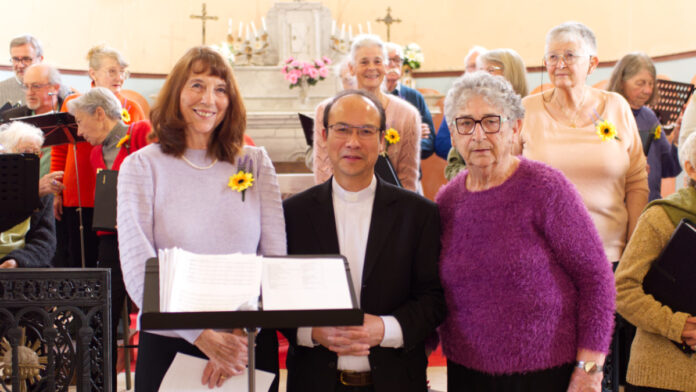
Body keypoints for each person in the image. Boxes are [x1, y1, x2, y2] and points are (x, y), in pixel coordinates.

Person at [117, 46, 286, 391]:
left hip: (247, 342)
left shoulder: (254, 162)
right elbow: (138, 272)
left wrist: (238, 338)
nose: (209, 98)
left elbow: (274, 261)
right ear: (176, 92)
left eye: (220, 89)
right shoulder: (142, 166)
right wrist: (203, 337)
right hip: (171, 341)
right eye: (197, 85)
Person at [436, 72, 615, 391]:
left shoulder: (547, 189)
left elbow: (596, 279)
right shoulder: (447, 201)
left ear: (515, 127)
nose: (478, 135)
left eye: (491, 122)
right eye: (465, 123)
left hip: (546, 374)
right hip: (466, 373)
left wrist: (589, 370)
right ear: (452, 133)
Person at [283, 89, 445, 392]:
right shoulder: (294, 213)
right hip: (314, 382)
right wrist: (312, 332)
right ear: (324, 135)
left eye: (366, 131)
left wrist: (384, 329)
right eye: (342, 129)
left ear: (383, 140)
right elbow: (279, 294)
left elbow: (434, 299)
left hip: (396, 382)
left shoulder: (419, 214)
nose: (353, 142)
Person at [521, 22, 649, 390]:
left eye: (570, 55)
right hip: (543, 260)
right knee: (546, 362)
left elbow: (637, 179)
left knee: (597, 372)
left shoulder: (616, 107)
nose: (559, 63)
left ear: (592, 63)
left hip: (609, 257)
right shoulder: (528, 112)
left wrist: (632, 247)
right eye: (552, 56)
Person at [66, 87, 150, 392]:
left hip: (145, 236)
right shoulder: (95, 153)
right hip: (111, 238)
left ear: (99, 113)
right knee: (102, 311)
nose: (79, 130)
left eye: (79, 121)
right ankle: (102, 385)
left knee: (150, 303)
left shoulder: (140, 132)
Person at [614, 132, 696, 391]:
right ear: (690, 168)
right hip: (661, 376)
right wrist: (677, 325)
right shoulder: (661, 217)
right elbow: (622, 291)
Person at [52, 44, 144, 269]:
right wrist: (57, 189)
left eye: (123, 71)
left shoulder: (131, 106)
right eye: (112, 71)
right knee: (79, 260)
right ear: (93, 73)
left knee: (112, 261)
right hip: (79, 193)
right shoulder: (74, 102)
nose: (119, 77)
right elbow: (60, 148)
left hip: (114, 198)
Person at [313, 34, 421, 192]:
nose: (372, 67)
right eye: (364, 62)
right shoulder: (326, 110)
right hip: (339, 204)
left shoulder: (407, 114)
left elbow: (408, 178)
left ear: (385, 66)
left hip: (391, 207)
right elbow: (323, 171)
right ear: (351, 68)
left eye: (377, 61)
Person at [444, 48, 529, 180]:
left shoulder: (534, 114)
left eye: (489, 70)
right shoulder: (471, 111)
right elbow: (453, 167)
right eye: (480, 70)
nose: (482, 76)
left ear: (511, 73)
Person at [607, 52, 681, 201]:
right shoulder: (607, 115)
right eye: (640, 83)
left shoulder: (650, 117)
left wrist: (678, 139)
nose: (648, 90)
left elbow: (669, 168)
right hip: (617, 209)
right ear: (622, 82)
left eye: (651, 83)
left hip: (649, 208)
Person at [0, 121, 56, 268]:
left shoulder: (43, 191)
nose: (32, 160)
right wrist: (31, 195)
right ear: (5, 154)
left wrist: (18, 261)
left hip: (24, 265)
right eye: (25, 152)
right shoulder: (38, 190)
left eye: (36, 153)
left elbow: (45, 243)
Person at [2, 64, 68, 183]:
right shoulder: (12, 118)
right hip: (22, 192)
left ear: (54, 88)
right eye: (26, 86)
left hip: (61, 190)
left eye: (36, 86)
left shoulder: (69, 116)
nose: (29, 92)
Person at [434, 45, 487, 159]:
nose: (476, 70)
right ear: (465, 71)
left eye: (480, 66)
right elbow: (441, 144)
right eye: (472, 66)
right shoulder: (456, 100)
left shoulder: (499, 101)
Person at [384, 42, 435, 159]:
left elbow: (429, 143)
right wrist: (412, 136)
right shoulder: (372, 97)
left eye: (397, 60)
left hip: (409, 169)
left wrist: (395, 144)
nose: (393, 65)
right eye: (388, 60)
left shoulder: (415, 97)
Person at [0, 35, 71, 106]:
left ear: (40, 59)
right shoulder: (1, 89)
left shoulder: (60, 91)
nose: (20, 65)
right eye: (15, 59)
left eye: (26, 59)